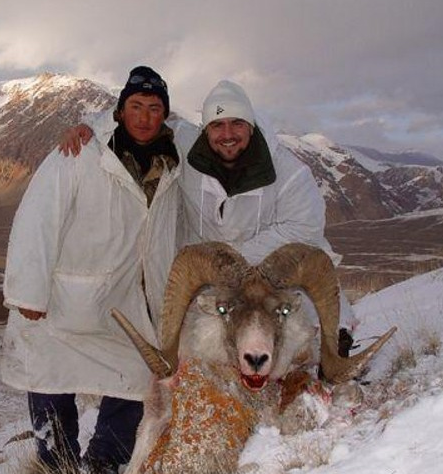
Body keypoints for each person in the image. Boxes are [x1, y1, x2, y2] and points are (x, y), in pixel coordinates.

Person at [60, 80, 357, 340]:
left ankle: (334, 349)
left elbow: (304, 230)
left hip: (271, 280)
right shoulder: (185, 145)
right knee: (200, 349)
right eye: (216, 125)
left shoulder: (290, 173)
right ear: (205, 130)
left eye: (237, 123)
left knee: (301, 338)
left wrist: (232, 262)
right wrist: (93, 127)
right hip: (208, 286)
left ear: (250, 125)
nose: (227, 134)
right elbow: (141, 125)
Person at [0, 66, 181, 474]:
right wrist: (28, 290)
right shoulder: (80, 153)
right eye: (135, 106)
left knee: (137, 378)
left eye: (155, 108)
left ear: (165, 116)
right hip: (64, 296)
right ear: (118, 111)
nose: (144, 117)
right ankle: (59, 467)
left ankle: (104, 459)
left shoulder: (172, 162)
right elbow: (38, 218)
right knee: (50, 376)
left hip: (125, 300)